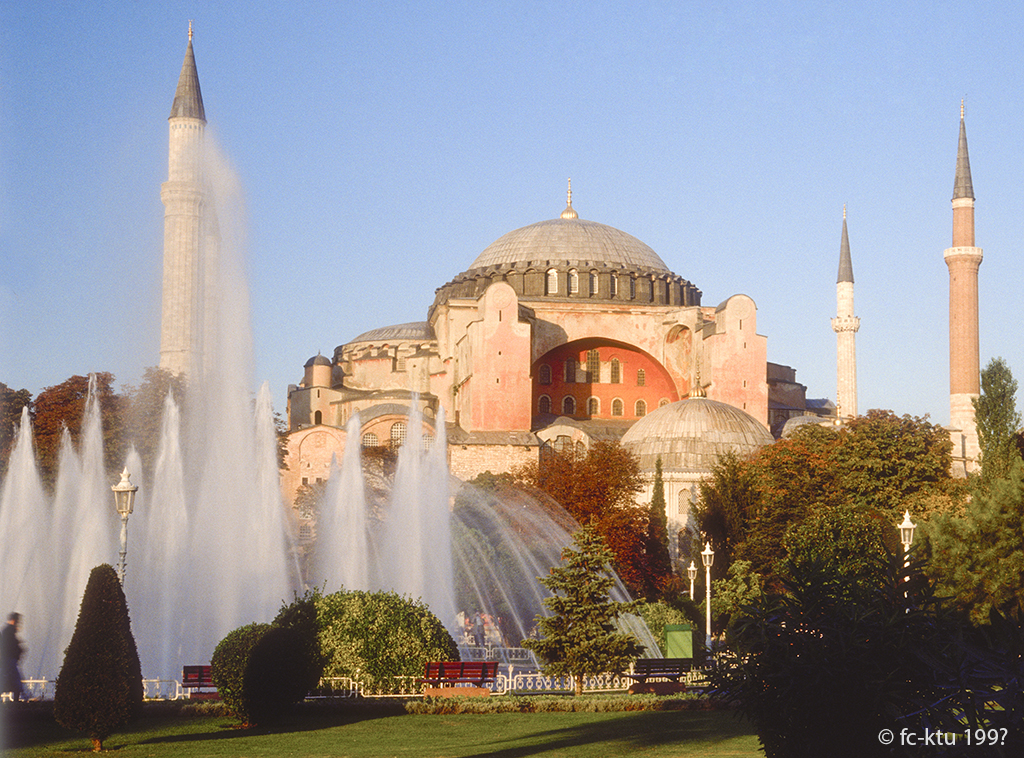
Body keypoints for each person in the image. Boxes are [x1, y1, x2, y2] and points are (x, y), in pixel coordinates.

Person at [1, 612, 25, 703]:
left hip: (9, 660)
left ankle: (17, 701)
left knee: (12, 682)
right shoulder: (9, 631)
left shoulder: (7, 631)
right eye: (18, 621)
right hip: (9, 661)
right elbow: (11, 646)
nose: (19, 624)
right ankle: (18, 701)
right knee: (16, 682)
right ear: (14, 620)